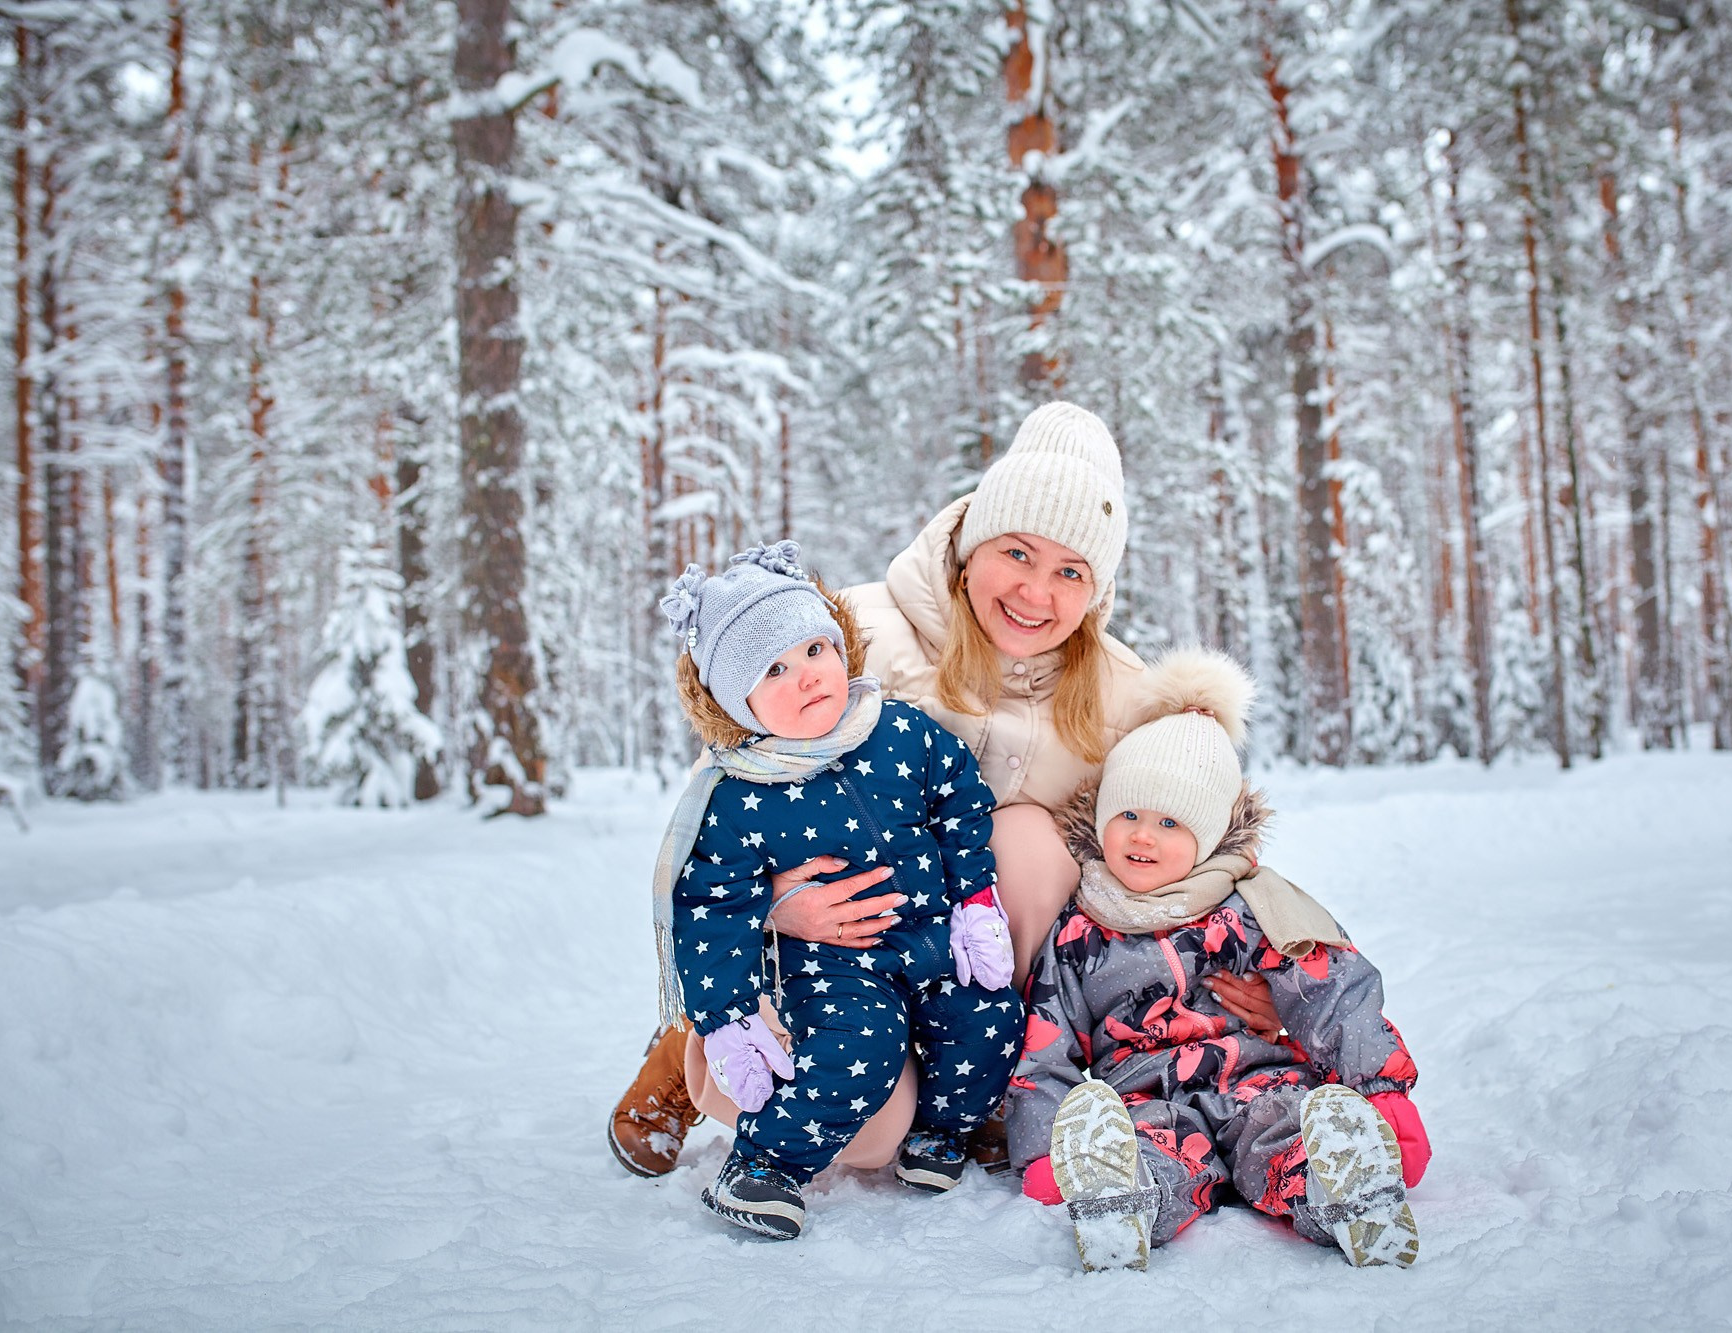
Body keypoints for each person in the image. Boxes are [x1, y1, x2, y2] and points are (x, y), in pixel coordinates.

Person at [610, 401, 1280, 1178]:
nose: (1037, 591)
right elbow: (720, 801)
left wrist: (1265, 977)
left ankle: (988, 1082)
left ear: (1097, 591)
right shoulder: (854, 633)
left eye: (1071, 571)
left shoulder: (1120, 694)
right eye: (1018, 552)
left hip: (961, 963)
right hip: (824, 953)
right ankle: (698, 1046)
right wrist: (773, 905)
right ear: (970, 544)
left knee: (1032, 843)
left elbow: (1195, 831)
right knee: (863, 1136)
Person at [1006, 649, 1429, 1271]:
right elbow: (1046, 1037)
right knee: (1155, 1153)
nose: (1142, 836)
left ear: (1207, 835)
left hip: (1260, 1080)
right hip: (1144, 1097)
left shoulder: (1254, 908)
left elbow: (1334, 994)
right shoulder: (1079, 926)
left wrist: (1384, 1094)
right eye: (1127, 814)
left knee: (1284, 1134)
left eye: (1171, 822)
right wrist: (1045, 1148)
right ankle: (1122, 1203)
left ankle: (1346, 1192)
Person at [653, 540, 1023, 1239]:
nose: (806, 677)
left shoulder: (900, 730)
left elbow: (961, 802)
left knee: (988, 1012)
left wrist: (974, 901)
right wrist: (727, 1015)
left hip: (930, 931)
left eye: (814, 650)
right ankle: (765, 1163)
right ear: (738, 700)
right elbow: (711, 907)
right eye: (773, 669)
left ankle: (944, 1129)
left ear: (841, 644)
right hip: (835, 963)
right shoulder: (740, 791)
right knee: (858, 1052)